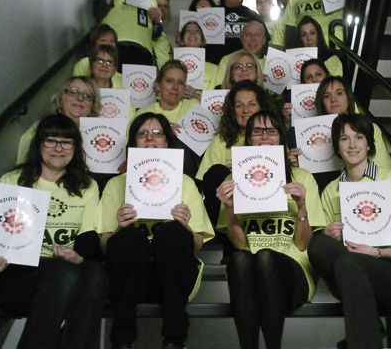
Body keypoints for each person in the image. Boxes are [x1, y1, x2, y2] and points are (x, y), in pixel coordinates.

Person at [0, 114, 107, 349]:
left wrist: (77, 256)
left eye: (66, 142)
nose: (59, 148)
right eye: (51, 140)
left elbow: (88, 234)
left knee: (95, 272)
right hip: (17, 276)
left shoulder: (87, 185)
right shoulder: (13, 180)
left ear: (75, 148)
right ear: (39, 145)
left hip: (66, 274)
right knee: (63, 272)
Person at [308, 113, 391, 349]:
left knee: (348, 262)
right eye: (344, 138)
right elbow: (328, 252)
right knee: (319, 244)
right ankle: (370, 324)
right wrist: (329, 235)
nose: (352, 145)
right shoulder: (331, 191)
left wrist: (377, 252)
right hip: (353, 276)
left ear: (369, 144)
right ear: (337, 146)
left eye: (359, 137)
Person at [98, 112, 214, 349]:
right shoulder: (116, 184)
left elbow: (198, 243)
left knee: (173, 233)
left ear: (167, 142)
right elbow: (104, 244)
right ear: (133, 144)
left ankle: (174, 340)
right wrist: (120, 228)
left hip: (173, 278)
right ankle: (122, 341)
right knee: (129, 237)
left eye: (157, 133)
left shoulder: (185, 182)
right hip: (129, 278)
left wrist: (184, 227)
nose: (150, 138)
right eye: (142, 134)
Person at [216, 110, 326, 349]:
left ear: (280, 138)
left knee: (265, 256)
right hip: (249, 273)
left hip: (294, 271)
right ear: (248, 138)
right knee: (240, 258)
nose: (265, 137)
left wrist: (302, 205)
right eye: (257, 131)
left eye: (272, 131)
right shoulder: (232, 181)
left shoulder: (302, 178)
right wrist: (230, 209)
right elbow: (240, 245)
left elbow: (302, 244)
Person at [196, 81, 277, 224]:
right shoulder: (221, 141)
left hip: (267, 200)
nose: (245, 110)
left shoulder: (272, 138)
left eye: (252, 104)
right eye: (239, 105)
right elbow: (206, 181)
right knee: (216, 172)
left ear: (261, 107)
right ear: (233, 110)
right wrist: (228, 173)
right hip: (228, 208)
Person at [17, 77, 101, 164]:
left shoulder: (98, 134)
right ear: (60, 99)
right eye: (73, 92)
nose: (80, 98)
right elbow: (25, 166)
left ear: (92, 106)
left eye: (87, 95)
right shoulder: (40, 128)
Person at [206, 0, 268, 64]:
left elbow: (264, 43)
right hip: (214, 65)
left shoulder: (253, 16)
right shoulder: (210, 14)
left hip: (245, 66)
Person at [134, 59, 199, 124]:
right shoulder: (143, 114)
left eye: (180, 83)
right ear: (158, 85)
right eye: (169, 81)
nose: (175, 87)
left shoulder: (192, 107)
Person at [178, 21, 219, 97]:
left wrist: (196, 97)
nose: (192, 33)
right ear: (181, 41)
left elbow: (217, 97)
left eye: (197, 31)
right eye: (188, 30)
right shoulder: (169, 67)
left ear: (203, 42)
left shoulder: (215, 69)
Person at [152, 0, 175, 68]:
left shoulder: (165, 39)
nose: (162, 8)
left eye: (165, 6)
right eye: (158, 5)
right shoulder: (142, 31)